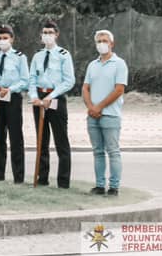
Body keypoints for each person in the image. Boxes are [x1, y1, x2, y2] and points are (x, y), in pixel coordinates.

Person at [28, 20, 75, 189]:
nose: (47, 35)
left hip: (55, 97)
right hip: (39, 98)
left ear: (56, 34)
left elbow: (69, 81)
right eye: (44, 32)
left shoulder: (64, 55)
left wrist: (51, 96)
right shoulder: (37, 56)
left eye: (50, 32)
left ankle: (63, 182)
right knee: (42, 139)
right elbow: (32, 79)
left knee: (61, 140)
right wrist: (34, 96)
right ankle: (42, 178)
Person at [83, 30, 128, 196]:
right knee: (98, 152)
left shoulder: (119, 64)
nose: (102, 43)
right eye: (99, 41)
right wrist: (90, 106)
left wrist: (99, 106)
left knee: (113, 152)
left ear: (111, 44)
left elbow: (119, 90)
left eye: (105, 41)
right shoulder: (92, 65)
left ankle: (114, 187)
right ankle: (99, 185)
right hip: (93, 116)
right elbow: (85, 87)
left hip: (110, 115)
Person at [0, 24, 30, 183]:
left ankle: (18, 177)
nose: (2, 41)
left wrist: (10, 89)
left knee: (15, 137)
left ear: (12, 39)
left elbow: (25, 81)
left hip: (12, 98)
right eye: (0, 38)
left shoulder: (19, 57)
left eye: (5, 38)